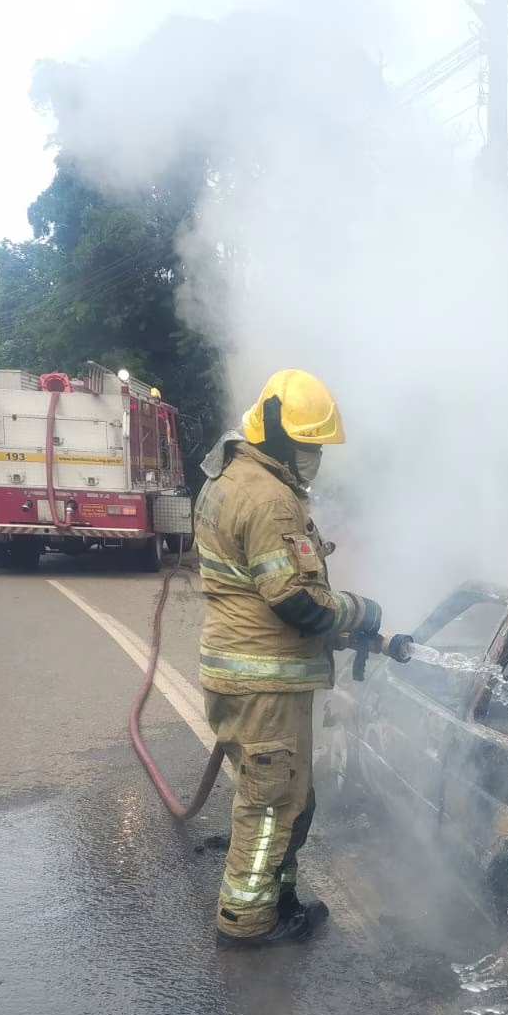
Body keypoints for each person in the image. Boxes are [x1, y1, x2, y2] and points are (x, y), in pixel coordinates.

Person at [194, 370, 381, 948]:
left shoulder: (231, 474)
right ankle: (248, 922)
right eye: (308, 446)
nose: (315, 458)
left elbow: (260, 592)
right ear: (278, 437)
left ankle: (281, 899)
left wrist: (333, 633)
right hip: (265, 683)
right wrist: (359, 612)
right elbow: (295, 599)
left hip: (244, 670)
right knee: (272, 803)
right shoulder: (271, 500)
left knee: (287, 796)